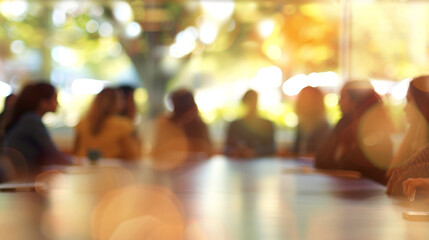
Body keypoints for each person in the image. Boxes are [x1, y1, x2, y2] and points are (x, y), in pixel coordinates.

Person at [315, 80, 394, 184]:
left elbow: (354, 167)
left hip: (369, 191)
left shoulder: (374, 128)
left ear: (356, 100)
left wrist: (334, 164)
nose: (339, 102)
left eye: (343, 97)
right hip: (345, 185)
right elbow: (320, 159)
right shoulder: (343, 124)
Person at [3, 82, 70, 179]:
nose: (58, 103)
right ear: (43, 103)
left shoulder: (26, 118)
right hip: (23, 182)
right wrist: (81, 162)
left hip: (20, 179)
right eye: (55, 98)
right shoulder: (31, 121)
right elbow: (54, 155)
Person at [386, 75, 429, 195]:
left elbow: (394, 184)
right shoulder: (413, 138)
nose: (405, 108)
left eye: (409, 100)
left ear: (424, 103)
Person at [73, 87, 141, 161]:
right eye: (120, 100)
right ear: (116, 102)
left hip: (84, 168)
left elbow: (76, 152)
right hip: (111, 170)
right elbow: (132, 156)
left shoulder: (82, 123)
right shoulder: (122, 125)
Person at [151, 88, 212, 159]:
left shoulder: (200, 125)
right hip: (169, 167)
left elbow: (208, 152)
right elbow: (155, 153)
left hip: (196, 167)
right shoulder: (165, 125)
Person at [224, 89, 276, 158]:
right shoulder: (234, 125)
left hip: (261, 164)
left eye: (254, 102)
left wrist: (255, 152)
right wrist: (235, 151)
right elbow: (226, 149)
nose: (252, 105)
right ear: (244, 102)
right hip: (238, 164)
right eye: (250, 102)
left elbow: (272, 149)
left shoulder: (267, 125)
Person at [292, 86, 331, 156]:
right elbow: (297, 152)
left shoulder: (323, 128)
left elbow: (321, 155)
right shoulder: (301, 126)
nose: (302, 103)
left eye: (305, 99)